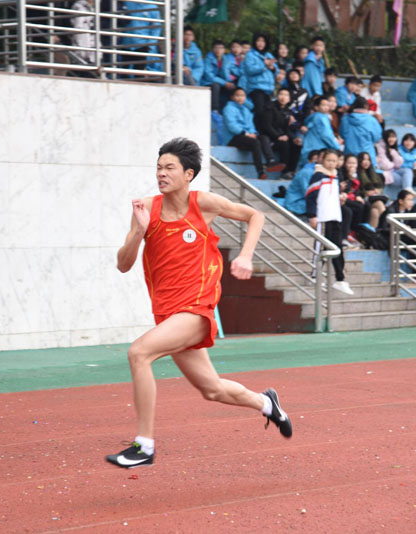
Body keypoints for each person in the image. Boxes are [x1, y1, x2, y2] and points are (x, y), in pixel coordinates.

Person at [107, 138, 291, 468]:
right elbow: (123, 264)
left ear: (188, 174)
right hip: (167, 312)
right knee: (212, 389)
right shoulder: (146, 208)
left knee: (139, 353)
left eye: (169, 168)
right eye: (158, 167)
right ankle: (267, 403)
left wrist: (246, 256)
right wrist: (138, 231)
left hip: (196, 308)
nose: (161, 173)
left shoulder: (202, 204)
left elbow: (255, 216)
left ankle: (144, 445)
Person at [306, 149, 354, 295]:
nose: (332, 163)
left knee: (337, 248)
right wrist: (312, 215)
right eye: (329, 160)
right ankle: (315, 275)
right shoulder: (318, 176)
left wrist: (341, 199)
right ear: (322, 160)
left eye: (334, 161)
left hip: (335, 216)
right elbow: (311, 196)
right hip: (322, 217)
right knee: (320, 247)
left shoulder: (336, 176)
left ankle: (340, 279)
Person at [222, 88, 283, 178]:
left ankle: (271, 161)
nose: (240, 98)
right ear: (232, 97)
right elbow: (232, 125)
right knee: (255, 142)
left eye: (242, 96)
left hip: (246, 136)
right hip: (233, 137)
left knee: (263, 137)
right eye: (237, 95)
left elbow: (251, 125)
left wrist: (253, 133)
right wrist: (246, 134)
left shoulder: (246, 110)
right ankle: (260, 171)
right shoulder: (228, 108)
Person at [255, 88, 301, 176]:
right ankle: (285, 172)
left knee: (297, 145)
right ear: (277, 96)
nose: (283, 97)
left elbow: (286, 129)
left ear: (289, 99)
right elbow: (266, 126)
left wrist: (294, 138)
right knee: (284, 144)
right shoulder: (269, 107)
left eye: (286, 95)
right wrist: (278, 136)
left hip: (278, 136)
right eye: (281, 94)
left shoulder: (287, 111)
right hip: (268, 138)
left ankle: (291, 170)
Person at [339, 96, 383, 168]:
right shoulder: (372, 120)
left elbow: (342, 134)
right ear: (366, 106)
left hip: (349, 156)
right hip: (367, 156)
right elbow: (377, 137)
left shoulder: (345, 119)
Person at [301, 95, 343, 160]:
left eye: (327, 105)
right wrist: (338, 147)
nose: (326, 107)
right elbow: (327, 135)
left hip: (309, 150)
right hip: (317, 152)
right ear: (316, 107)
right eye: (323, 105)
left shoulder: (314, 117)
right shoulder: (321, 118)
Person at [283, 150, 319, 219]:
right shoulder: (307, 172)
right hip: (296, 203)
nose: (316, 162)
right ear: (309, 161)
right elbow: (307, 193)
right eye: (314, 160)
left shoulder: (318, 172)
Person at [242, 32, 277, 104]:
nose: (260, 43)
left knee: (268, 113)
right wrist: (264, 66)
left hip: (269, 89)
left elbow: (277, 71)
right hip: (256, 88)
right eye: (258, 41)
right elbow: (250, 70)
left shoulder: (268, 55)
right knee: (260, 111)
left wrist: (273, 68)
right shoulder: (250, 55)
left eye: (263, 41)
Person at [357, 152, 387, 229]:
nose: (366, 162)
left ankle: (372, 234)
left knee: (375, 212)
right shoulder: (357, 173)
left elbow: (380, 185)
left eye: (368, 160)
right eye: (364, 159)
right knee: (380, 204)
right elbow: (356, 188)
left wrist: (377, 190)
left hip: (375, 197)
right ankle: (386, 226)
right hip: (363, 198)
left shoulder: (373, 173)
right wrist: (366, 193)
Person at [201, 40, 233, 111]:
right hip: (208, 82)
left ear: (224, 50)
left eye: (221, 48)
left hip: (221, 82)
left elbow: (226, 74)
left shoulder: (226, 60)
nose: (218, 50)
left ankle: (228, 110)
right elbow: (209, 76)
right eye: (216, 48)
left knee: (233, 87)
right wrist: (225, 83)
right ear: (212, 49)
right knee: (216, 86)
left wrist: (229, 83)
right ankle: (214, 109)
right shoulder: (208, 59)